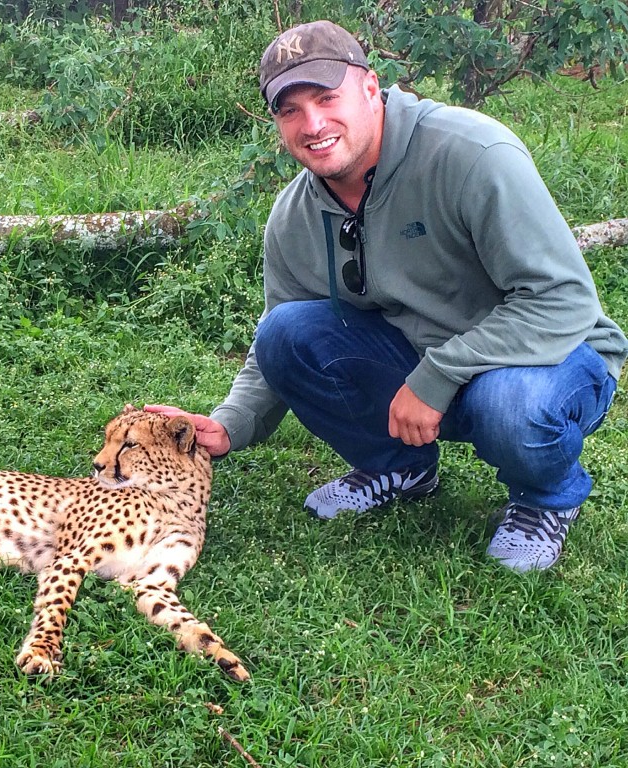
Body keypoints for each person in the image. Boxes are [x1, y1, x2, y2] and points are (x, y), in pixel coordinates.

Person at [149, 20, 627, 572]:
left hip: (554, 356)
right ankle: (401, 467)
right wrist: (232, 423)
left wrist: (439, 375)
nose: (314, 124)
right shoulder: (294, 215)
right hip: (420, 361)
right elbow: (276, 335)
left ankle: (545, 499)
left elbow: (563, 299)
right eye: (290, 110)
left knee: (510, 404)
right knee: (285, 332)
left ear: (372, 88)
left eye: (328, 98)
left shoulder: (472, 153)